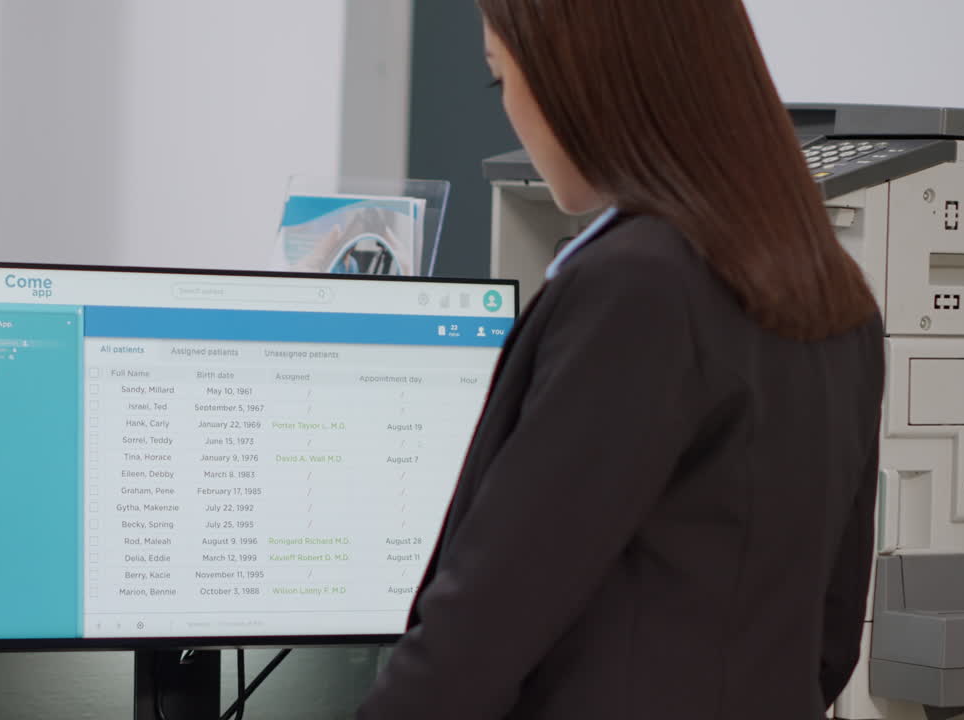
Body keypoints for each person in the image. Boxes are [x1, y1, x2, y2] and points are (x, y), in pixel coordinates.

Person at [356, 1, 885, 718]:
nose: (509, 109)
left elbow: (475, 639)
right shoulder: (834, 295)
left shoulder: (638, 288)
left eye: (499, 79)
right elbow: (827, 641)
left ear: (578, 74)